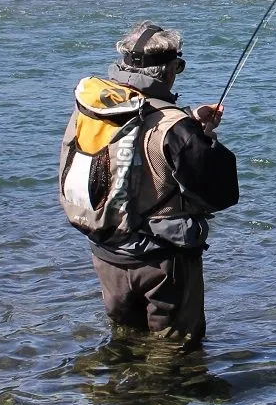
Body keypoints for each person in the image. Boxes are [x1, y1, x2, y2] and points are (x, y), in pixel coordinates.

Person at [59, 21, 239, 342]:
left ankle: (119, 389)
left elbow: (138, 128)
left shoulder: (93, 106)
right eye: (177, 66)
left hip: (107, 253)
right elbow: (220, 193)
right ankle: (162, 392)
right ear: (170, 71)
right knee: (175, 353)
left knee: (124, 341)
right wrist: (204, 140)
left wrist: (189, 119)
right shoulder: (177, 129)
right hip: (162, 263)